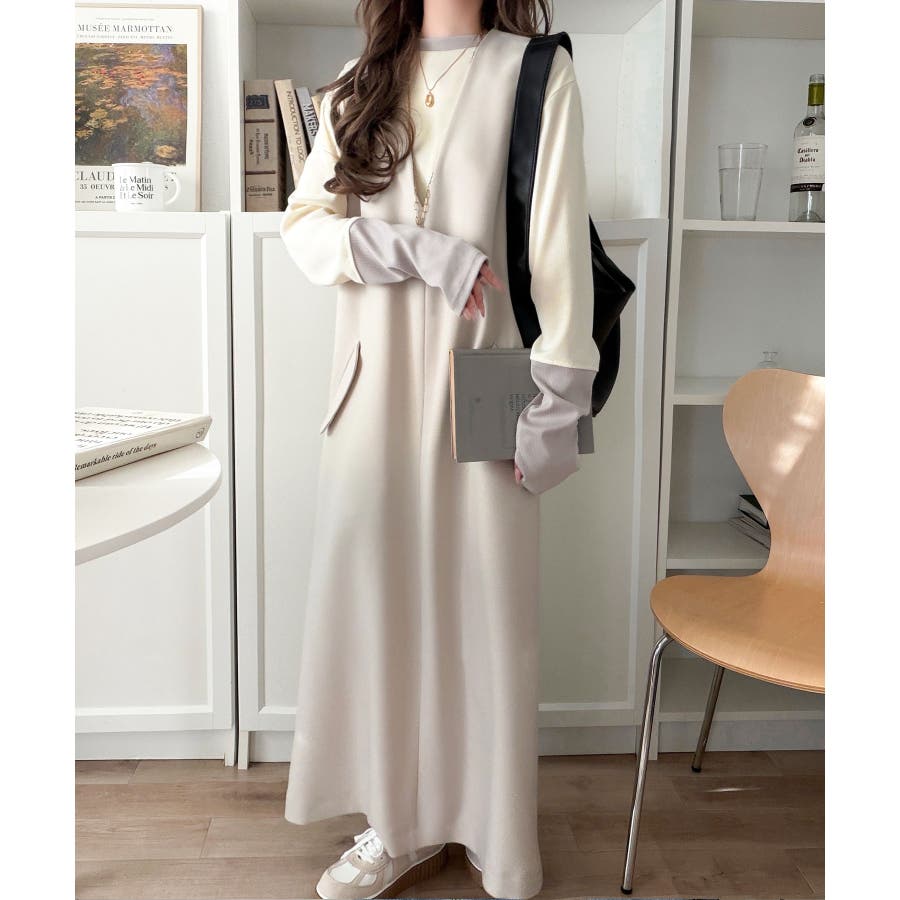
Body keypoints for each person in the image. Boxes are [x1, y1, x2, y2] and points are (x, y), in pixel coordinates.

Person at [279, 1, 599, 897]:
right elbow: (304, 226)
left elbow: (560, 256)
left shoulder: (535, 70)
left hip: (490, 374)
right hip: (371, 383)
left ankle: (496, 828)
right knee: (379, 604)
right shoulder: (356, 86)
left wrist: (559, 400)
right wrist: (413, 250)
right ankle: (397, 825)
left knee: (487, 610)